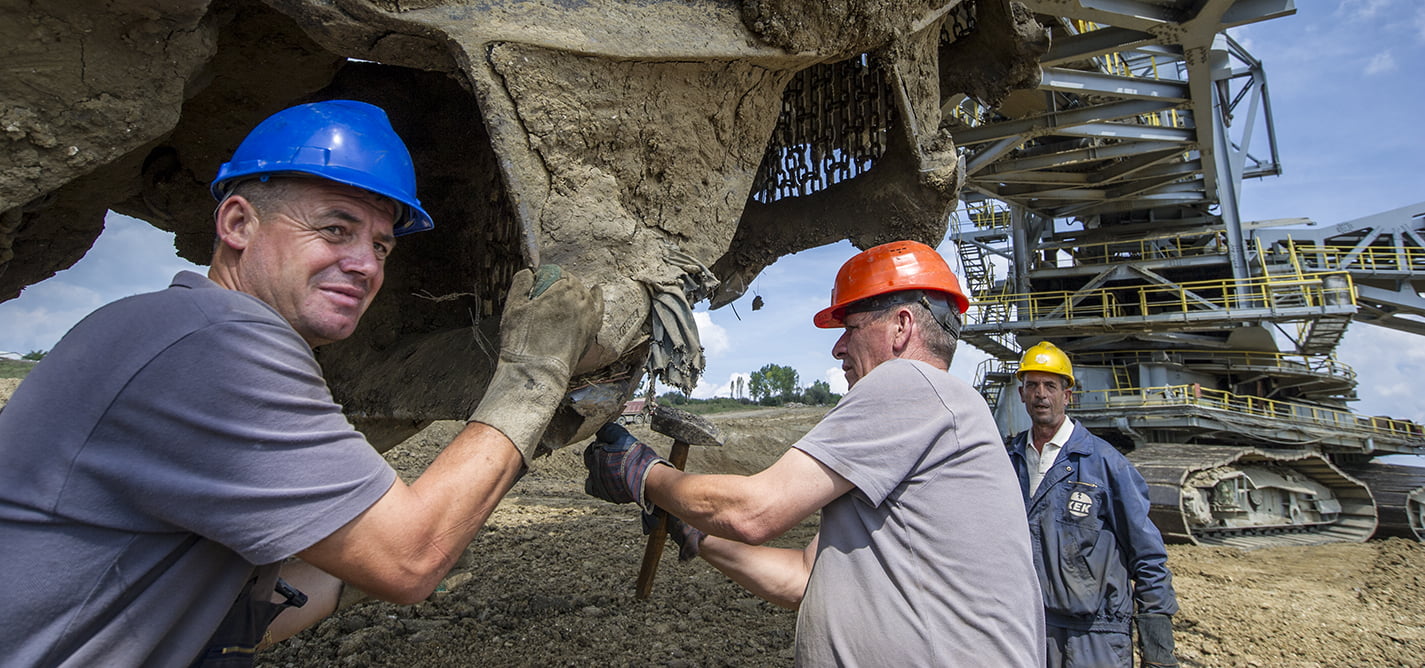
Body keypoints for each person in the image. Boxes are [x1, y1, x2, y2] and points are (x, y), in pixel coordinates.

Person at [0, 100, 601, 666]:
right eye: (336, 229)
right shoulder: (216, 345)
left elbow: (225, 612)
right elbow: (410, 560)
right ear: (237, 222)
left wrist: (352, 569)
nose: (365, 264)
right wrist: (534, 372)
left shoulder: (170, 326)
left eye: (381, 245)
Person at [584, 240, 1045, 666]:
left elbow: (754, 511)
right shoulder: (931, 419)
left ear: (902, 326)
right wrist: (696, 534)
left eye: (851, 327)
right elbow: (804, 577)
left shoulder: (909, 383)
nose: (839, 346)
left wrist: (643, 473)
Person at [1006, 341, 1179, 667]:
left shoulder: (1106, 466)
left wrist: (1157, 647)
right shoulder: (1007, 462)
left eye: (1050, 386)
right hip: (1030, 628)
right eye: (1032, 385)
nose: (1041, 394)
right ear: (1021, 394)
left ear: (1067, 395)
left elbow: (1148, 553)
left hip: (1095, 635)